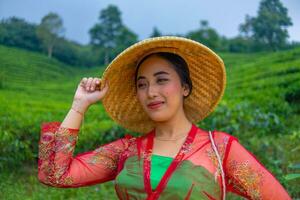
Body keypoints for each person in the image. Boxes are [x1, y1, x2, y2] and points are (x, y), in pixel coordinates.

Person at [38, 36, 291, 200]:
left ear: (185, 88)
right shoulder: (126, 151)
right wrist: (79, 106)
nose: (151, 92)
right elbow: (55, 175)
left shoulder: (220, 149)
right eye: (142, 84)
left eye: (162, 80)